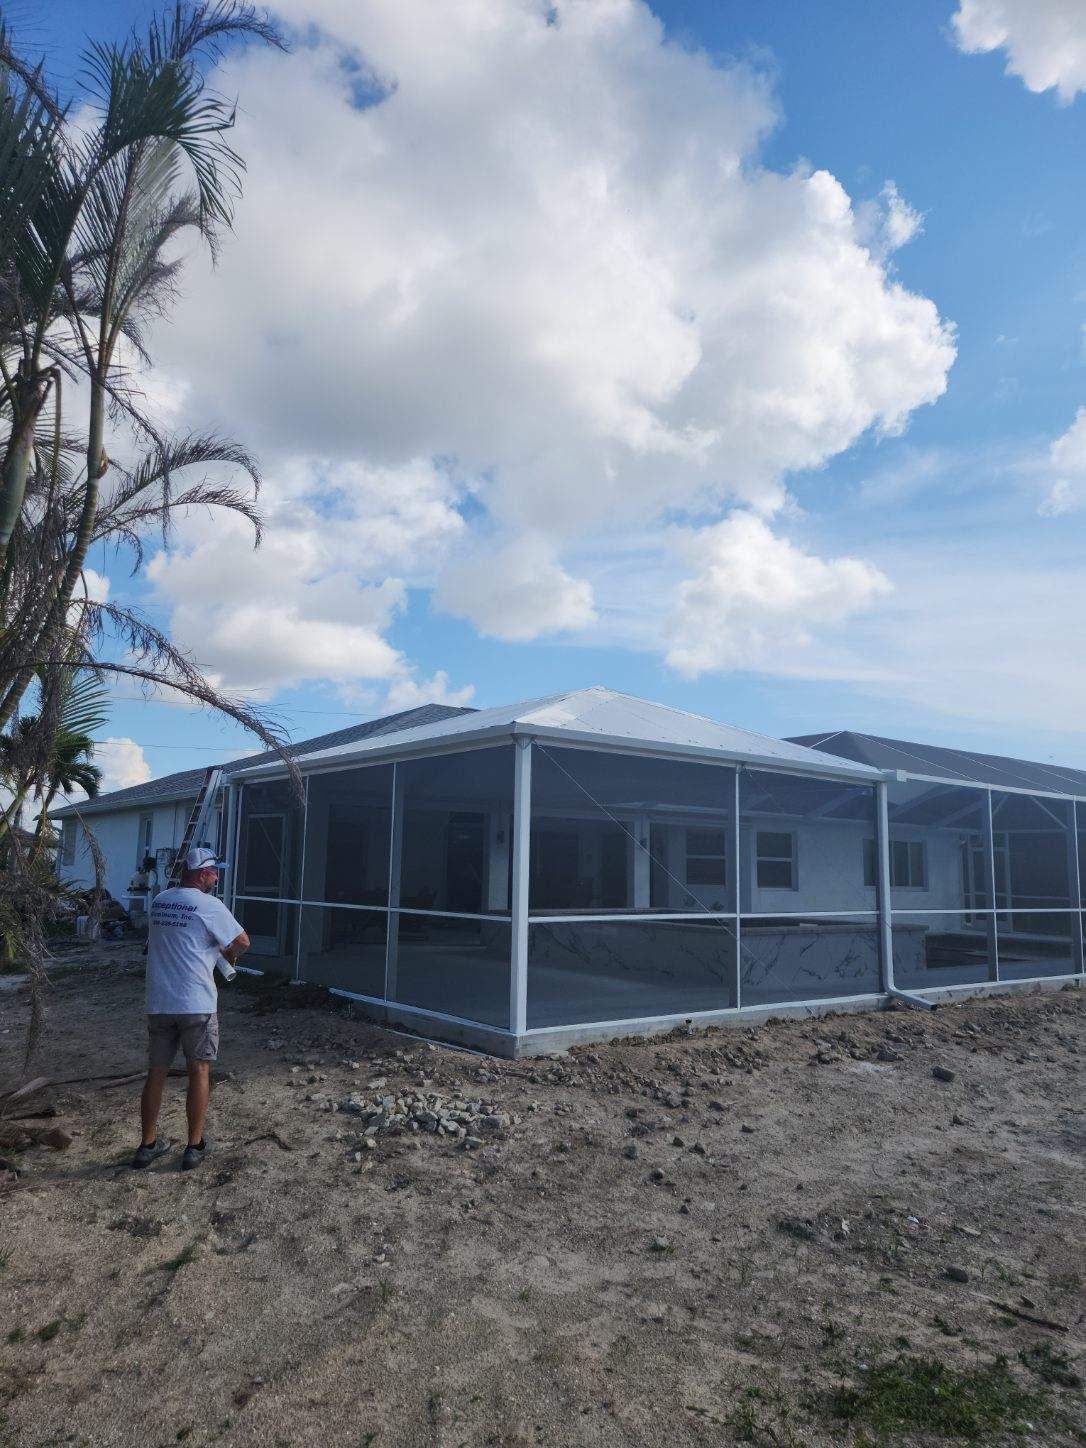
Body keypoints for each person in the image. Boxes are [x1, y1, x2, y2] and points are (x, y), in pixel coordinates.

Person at [133, 846, 249, 1171]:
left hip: (159, 1002)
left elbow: (182, 939)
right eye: (214, 872)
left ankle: (147, 1145)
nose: (216, 877)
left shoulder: (160, 901)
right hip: (196, 1003)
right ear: (201, 875)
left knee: (156, 1072)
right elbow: (242, 942)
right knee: (198, 1071)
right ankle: (194, 1145)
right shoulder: (208, 905)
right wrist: (223, 948)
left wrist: (207, 943)